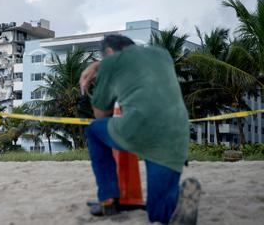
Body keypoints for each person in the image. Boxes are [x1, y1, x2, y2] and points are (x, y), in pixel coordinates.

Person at [79, 35, 201, 224]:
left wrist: (98, 75)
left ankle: (108, 199)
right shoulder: (162, 54)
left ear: (109, 52)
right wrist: (98, 66)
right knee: (158, 212)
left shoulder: (112, 62)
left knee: (95, 130)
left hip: (140, 129)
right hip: (177, 134)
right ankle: (177, 208)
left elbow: (101, 114)